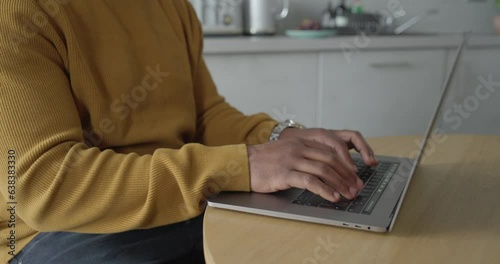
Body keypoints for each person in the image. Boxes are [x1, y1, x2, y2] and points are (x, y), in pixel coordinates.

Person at [0, 0, 377, 263]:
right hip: (48, 236)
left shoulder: (171, 5)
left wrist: (277, 137)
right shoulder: (16, 11)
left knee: (316, 232)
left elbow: (205, 115)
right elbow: (44, 187)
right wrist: (241, 165)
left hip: (179, 208)